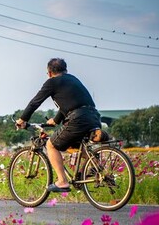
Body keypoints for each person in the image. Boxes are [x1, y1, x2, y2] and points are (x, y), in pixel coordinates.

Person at [15, 58, 101, 192]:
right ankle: (98, 167)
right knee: (73, 145)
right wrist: (55, 120)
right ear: (66, 70)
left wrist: (22, 119)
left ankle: (62, 181)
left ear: (49, 73)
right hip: (93, 116)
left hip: (77, 119)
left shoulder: (52, 82)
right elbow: (71, 102)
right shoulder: (73, 79)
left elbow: (35, 102)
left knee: (51, 145)